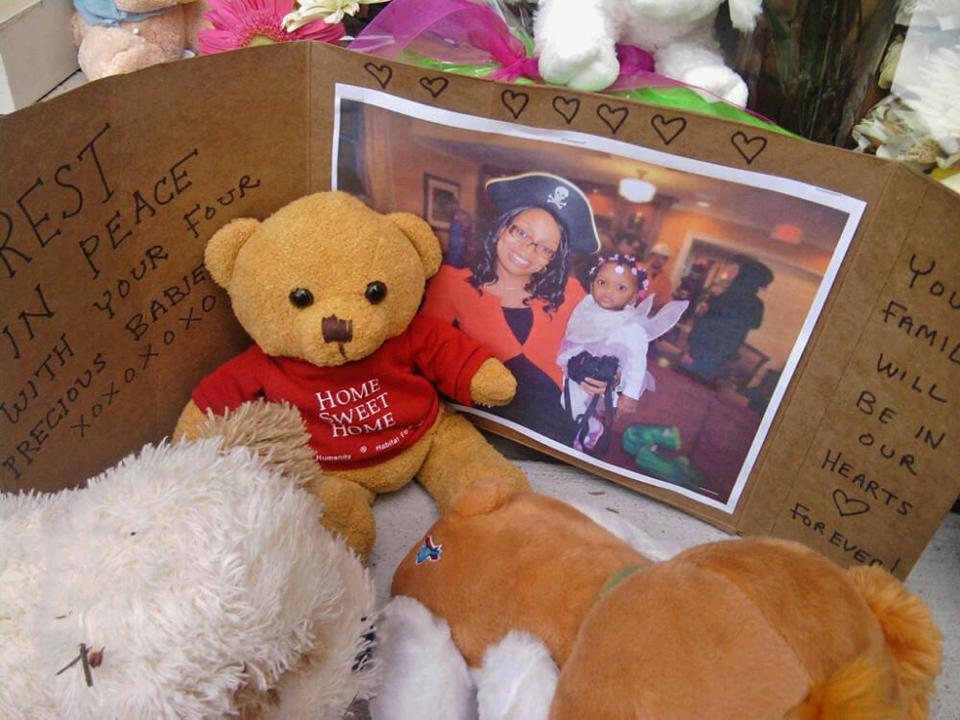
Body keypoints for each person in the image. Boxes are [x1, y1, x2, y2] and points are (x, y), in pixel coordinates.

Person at [420, 172, 601, 443]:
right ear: (502, 228)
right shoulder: (451, 283)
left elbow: (602, 345)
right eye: (522, 233)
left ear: (553, 260)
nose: (528, 250)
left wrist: (608, 377)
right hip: (477, 429)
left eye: (544, 248)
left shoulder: (570, 293)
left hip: (551, 432)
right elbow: (422, 357)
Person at [558, 254, 687, 452]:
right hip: (578, 369)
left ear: (634, 297)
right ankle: (578, 427)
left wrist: (630, 394)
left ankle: (589, 430)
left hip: (603, 374)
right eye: (602, 282)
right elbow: (574, 336)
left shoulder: (631, 327)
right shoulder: (586, 309)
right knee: (565, 401)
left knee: (576, 404)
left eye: (621, 288)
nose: (609, 291)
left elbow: (636, 363)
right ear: (592, 284)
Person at [683, 258, 774, 382]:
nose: (730, 273)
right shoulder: (757, 305)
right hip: (722, 357)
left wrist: (692, 351)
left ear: (744, 276)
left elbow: (707, 326)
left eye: (736, 270)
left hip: (702, 352)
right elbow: (754, 325)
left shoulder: (726, 296)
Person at [642, 242, 675, 309]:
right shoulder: (637, 269)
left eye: (662, 258)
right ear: (651, 256)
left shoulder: (666, 281)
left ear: (666, 260)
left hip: (648, 314)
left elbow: (665, 302)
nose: (658, 259)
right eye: (656, 256)